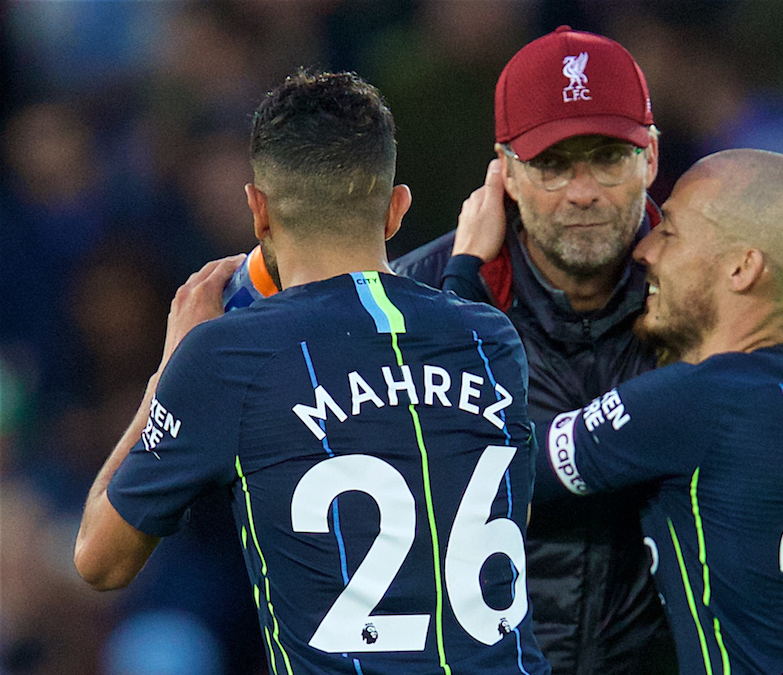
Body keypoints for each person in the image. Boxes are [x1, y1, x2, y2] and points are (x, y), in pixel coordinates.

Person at [392, 26, 783, 675]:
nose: (584, 190)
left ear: (650, 157)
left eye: (608, 157)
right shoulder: (414, 291)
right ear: (505, 170)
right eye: (553, 163)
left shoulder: (715, 294)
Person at [74, 70, 550, 675]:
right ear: (396, 208)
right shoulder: (492, 341)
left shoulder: (227, 356)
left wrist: (169, 369)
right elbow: (507, 515)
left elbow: (99, 560)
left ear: (258, 211)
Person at [536, 147, 783, 674]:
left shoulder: (700, 401)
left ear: (741, 267)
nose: (645, 251)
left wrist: (464, 277)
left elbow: (501, 462)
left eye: (671, 231)